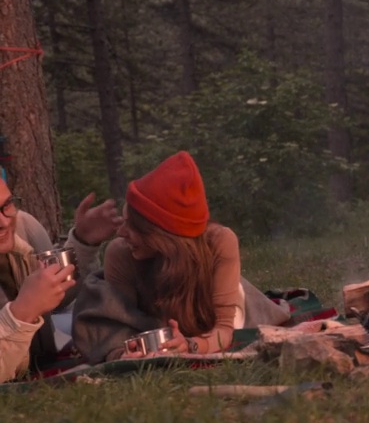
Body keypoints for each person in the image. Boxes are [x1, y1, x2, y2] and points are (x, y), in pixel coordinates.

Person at [72, 151, 289, 363]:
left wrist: (191, 346)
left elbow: (224, 327)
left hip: (219, 313)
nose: (120, 232)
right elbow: (116, 321)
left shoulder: (219, 241)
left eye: (133, 226)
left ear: (161, 233)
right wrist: (120, 354)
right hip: (158, 325)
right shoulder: (120, 252)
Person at [1, 176, 122, 382]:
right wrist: (22, 312)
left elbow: (57, 298)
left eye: (6, 205)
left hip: (42, 362)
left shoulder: (23, 226)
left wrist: (84, 242)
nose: (3, 222)